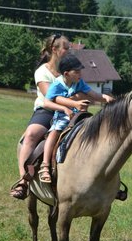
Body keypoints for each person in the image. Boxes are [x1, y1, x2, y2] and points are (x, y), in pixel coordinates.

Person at [10, 34, 71, 199]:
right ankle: (23, 181)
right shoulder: (42, 71)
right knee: (31, 135)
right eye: (66, 48)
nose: (69, 51)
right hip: (47, 111)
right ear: (55, 50)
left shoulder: (69, 70)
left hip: (71, 110)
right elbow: (49, 97)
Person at [38, 53, 114, 183]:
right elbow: (46, 103)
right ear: (66, 74)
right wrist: (64, 108)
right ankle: (45, 165)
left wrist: (104, 97)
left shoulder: (80, 83)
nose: (80, 74)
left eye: (80, 71)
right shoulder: (57, 85)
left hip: (79, 115)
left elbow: (93, 94)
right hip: (62, 116)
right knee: (55, 132)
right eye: (77, 72)